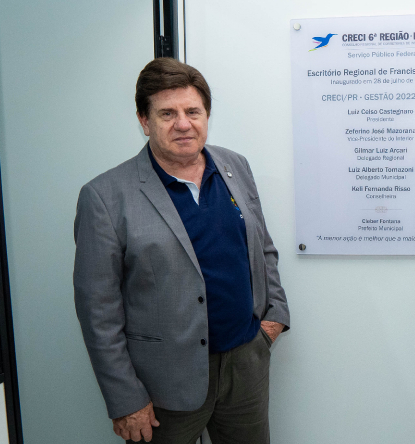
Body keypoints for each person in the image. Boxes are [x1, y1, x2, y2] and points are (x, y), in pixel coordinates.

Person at [74, 58, 289, 443]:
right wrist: (125, 399)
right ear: (144, 121)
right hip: (163, 387)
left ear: (206, 115)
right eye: (167, 113)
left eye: (193, 111)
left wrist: (274, 318)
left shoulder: (235, 166)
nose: (183, 124)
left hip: (246, 366)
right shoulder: (105, 197)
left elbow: (263, 249)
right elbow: (98, 309)